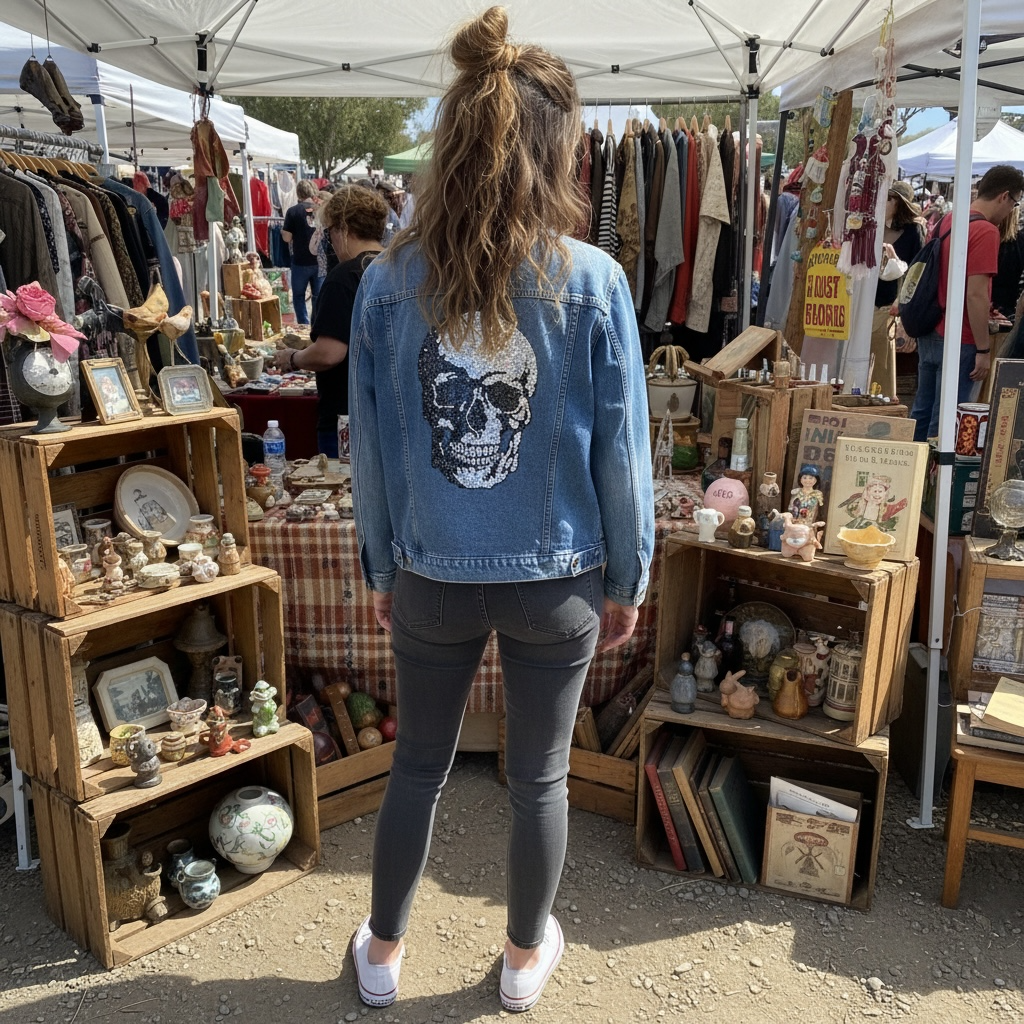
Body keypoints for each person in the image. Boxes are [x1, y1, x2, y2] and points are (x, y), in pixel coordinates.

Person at [347, 6, 654, 1013]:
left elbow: (377, 450)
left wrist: (384, 569)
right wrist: (627, 577)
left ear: (449, 141)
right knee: (540, 778)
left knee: (418, 766)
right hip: (555, 574)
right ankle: (524, 961)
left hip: (434, 570)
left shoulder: (384, 284)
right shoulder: (594, 283)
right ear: (560, 150)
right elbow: (622, 451)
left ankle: (383, 951)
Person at [909, 164, 1024, 442]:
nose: (1012, 210)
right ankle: (935, 483)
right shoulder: (985, 230)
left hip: (930, 326)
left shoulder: (949, 219)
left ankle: (913, 473)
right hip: (961, 335)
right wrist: (984, 348)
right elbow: (975, 294)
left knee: (922, 411)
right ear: (1004, 196)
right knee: (948, 420)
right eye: (1015, 203)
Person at [272, 186, 388, 456]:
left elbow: (329, 353)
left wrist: (293, 358)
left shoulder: (344, 276)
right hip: (389, 410)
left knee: (343, 491)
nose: (330, 241)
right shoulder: (397, 268)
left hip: (348, 414)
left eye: (331, 231)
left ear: (344, 228)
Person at [871, 181, 925, 398]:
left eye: (890, 198)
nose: (884, 202)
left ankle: (884, 397)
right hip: (867, 301)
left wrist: (901, 303)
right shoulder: (873, 227)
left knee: (884, 357)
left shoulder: (913, 231)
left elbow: (917, 271)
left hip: (891, 304)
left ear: (900, 203)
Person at [281, 179, 321, 324]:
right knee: (318, 296)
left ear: (298, 193)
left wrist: (282, 231)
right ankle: (316, 325)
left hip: (300, 261)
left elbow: (287, 238)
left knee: (298, 296)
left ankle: (304, 325)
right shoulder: (320, 209)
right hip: (319, 261)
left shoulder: (293, 211)